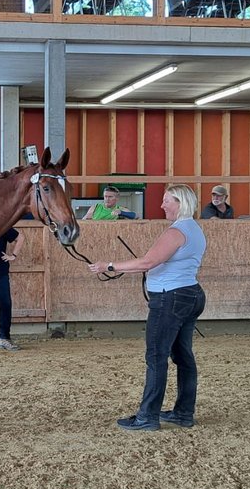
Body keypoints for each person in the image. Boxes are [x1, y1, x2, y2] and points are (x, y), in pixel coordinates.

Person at [87, 183, 206, 431]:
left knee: (156, 356)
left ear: (180, 204)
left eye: (167, 201)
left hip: (169, 299)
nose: (162, 205)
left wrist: (109, 265)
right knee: (183, 356)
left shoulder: (175, 232)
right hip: (190, 295)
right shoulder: (194, 229)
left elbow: (148, 261)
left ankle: (147, 416)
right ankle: (183, 413)